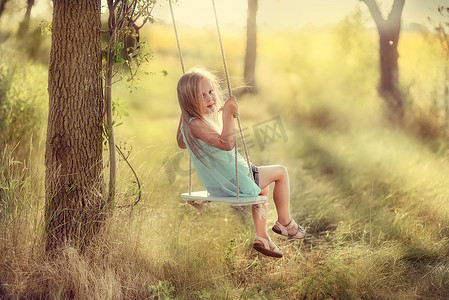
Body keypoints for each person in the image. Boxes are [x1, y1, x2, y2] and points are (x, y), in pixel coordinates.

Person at [176, 67, 306, 258]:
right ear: (190, 102)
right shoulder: (196, 124)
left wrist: (187, 115)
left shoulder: (191, 124)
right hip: (236, 181)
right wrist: (228, 115)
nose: (210, 98)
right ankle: (285, 223)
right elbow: (227, 144)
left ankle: (262, 237)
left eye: (211, 92)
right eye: (202, 96)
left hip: (224, 184)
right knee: (280, 172)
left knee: (262, 190)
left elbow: (181, 143)